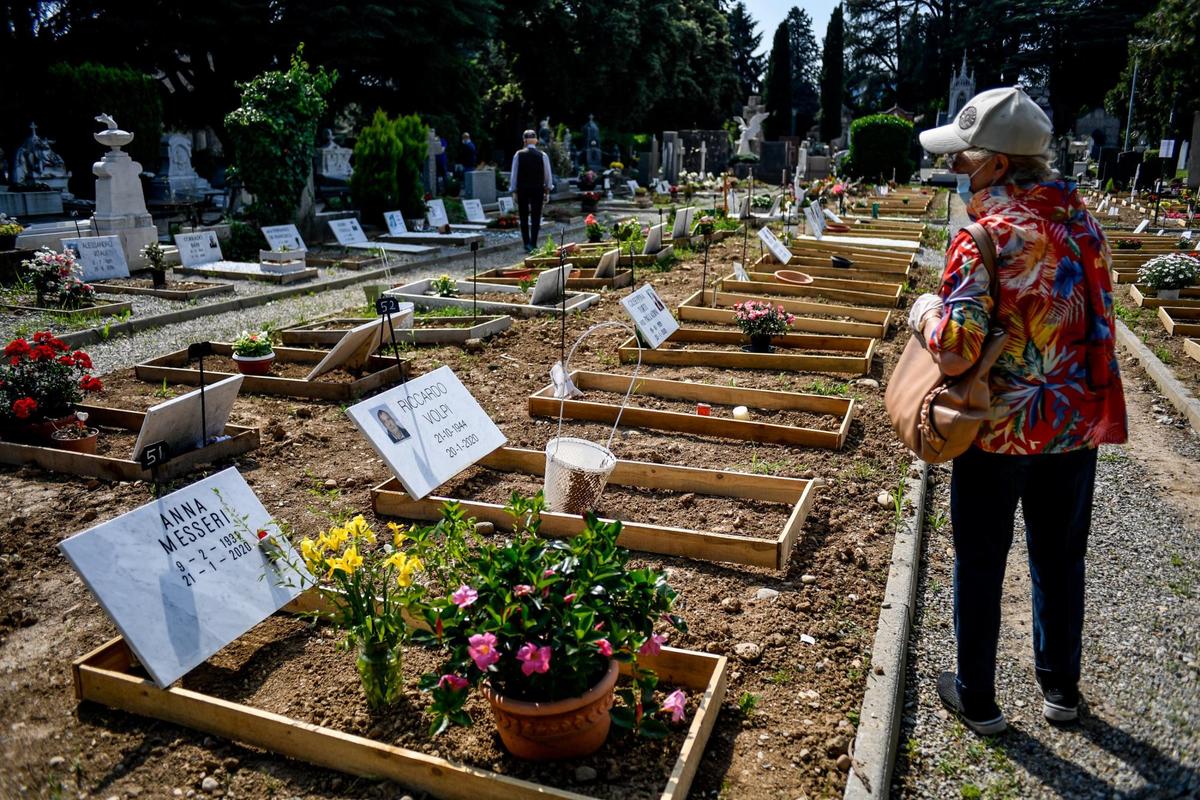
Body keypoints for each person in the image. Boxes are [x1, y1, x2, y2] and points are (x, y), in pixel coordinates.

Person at [910, 86, 1127, 735]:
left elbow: (956, 352)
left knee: (981, 556)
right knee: (1059, 558)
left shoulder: (983, 237)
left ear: (998, 164)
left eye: (965, 158)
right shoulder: (1082, 225)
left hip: (996, 428)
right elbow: (1099, 325)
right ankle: (1060, 688)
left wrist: (925, 314)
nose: (956, 169)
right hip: (1071, 425)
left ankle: (978, 698)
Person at [509, 129, 553, 253]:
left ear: (524, 140)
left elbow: (514, 173)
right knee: (536, 216)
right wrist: (548, 189)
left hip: (522, 189)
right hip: (537, 188)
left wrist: (513, 190)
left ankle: (526, 242)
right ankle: (533, 243)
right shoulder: (542, 155)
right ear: (536, 141)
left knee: (523, 216)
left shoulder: (519, 154)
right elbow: (547, 174)